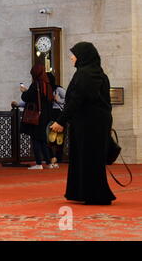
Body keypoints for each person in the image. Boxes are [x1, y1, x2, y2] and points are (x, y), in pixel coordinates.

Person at [51, 42, 116, 205]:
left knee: (87, 158)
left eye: (74, 54)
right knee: (91, 158)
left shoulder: (84, 74)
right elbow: (106, 103)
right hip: (97, 122)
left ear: (83, 56)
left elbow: (75, 100)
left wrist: (61, 121)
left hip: (88, 124)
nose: (71, 57)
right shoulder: (100, 74)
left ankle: (94, 194)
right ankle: (87, 193)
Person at [13, 63, 53, 170]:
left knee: (35, 138)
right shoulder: (47, 85)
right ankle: (49, 163)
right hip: (46, 116)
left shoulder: (36, 84)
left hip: (37, 116)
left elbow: (27, 97)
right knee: (43, 139)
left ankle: (39, 163)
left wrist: (24, 91)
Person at [47, 72, 66, 166]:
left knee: (59, 137)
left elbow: (69, 99)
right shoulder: (45, 89)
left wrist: (59, 100)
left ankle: (58, 158)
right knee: (50, 137)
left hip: (58, 113)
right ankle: (52, 157)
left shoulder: (58, 89)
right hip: (50, 114)